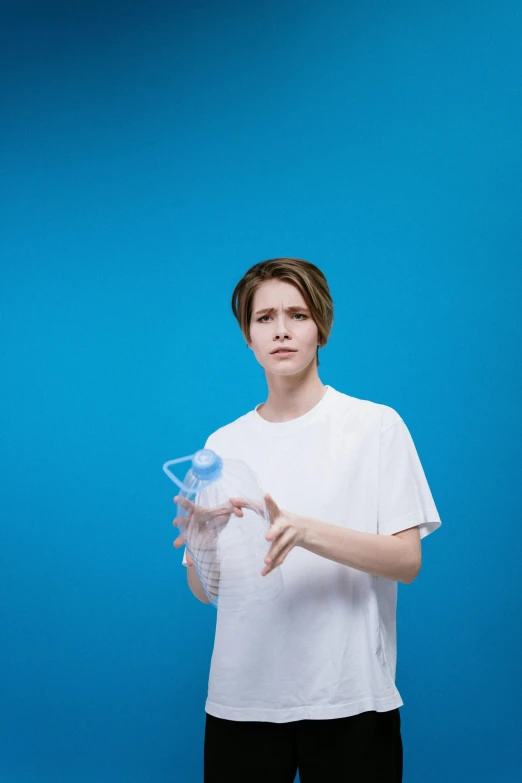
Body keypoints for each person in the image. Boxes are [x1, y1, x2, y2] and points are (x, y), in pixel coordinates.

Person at [173, 257, 442, 783]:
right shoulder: (222, 445)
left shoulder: (374, 427)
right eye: (264, 318)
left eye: (296, 315)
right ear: (247, 336)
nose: (281, 331)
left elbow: (407, 561)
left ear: (322, 326)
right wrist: (201, 543)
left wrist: (305, 532)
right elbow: (208, 591)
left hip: (350, 696)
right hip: (242, 700)